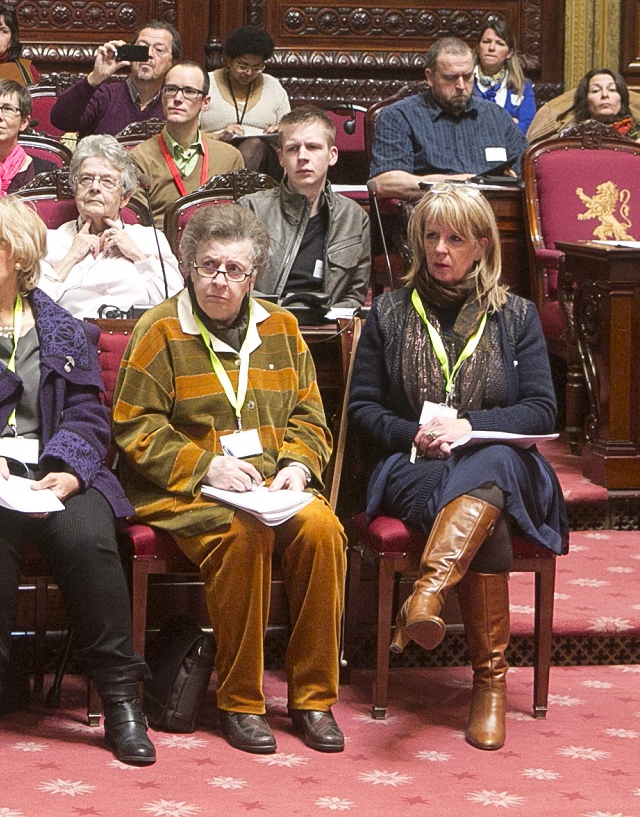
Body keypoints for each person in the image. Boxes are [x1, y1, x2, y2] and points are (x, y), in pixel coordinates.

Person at [0, 193, 155, 767]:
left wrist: (68, 468)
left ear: (21, 254)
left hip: (51, 470)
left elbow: (90, 411)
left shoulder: (64, 329)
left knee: (89, 536)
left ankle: (121, 701)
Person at [112, 205, 345, 755]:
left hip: (270, 485)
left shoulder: (283, 329)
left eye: (233, 269)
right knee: (243, 537)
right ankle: (241, 701)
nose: (219, 279)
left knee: (323, 531)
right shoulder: (160, 329)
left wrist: (297, 465)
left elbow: (310, 416)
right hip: (181, 489)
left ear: (253, 275)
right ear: (189, 268)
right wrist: (205, 465)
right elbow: (133, 424)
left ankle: (314, 698)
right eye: (208, 266)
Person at [346, 183, 565, 750]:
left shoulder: (515, 315)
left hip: (499, 460)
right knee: (485, 499)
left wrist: (470, 425)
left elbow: (542, 408)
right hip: (415, 465)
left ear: (483, 245)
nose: (441, 249)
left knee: (490, 461)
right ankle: (489, 684)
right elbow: (363, 407)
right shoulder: (390, 312)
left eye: (456, 238)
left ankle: (427, 594)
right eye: (431, 236)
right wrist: (412, 432)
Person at [368, 36, 525, 201]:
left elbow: (528, 171)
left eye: (467, 76)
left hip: (497, 214)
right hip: (432, 212)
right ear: (430, 77)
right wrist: (463, 183)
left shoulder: (496, 117)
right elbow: (383, 183)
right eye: (450, 78)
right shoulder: (399, 116)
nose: (461, 86)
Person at [245, 108, 371, 315]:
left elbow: (354, 295)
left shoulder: (354, 218)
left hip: (327, 329)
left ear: (332, 155)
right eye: (293, 149)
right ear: (281, 158)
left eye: (313, 147)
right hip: (266, 323)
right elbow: (237, 283)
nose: (302, 156)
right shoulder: (251, 210)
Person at [38, 135, 176, 319]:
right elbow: (33, 306)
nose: (94, 187)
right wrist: (71, 257)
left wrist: (137, 255)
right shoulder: (50, 241)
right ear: (75, 189)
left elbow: (174, 304)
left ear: (125, 198)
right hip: (72, 340)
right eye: (86, 179)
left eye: (107, 181)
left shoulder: (151, 239)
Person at [129, 59, 245, 229]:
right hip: (160, 250)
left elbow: (240, 221)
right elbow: (136, 226)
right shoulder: (139, 158)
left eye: (189, 91)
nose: (177, 98)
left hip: (217, 250)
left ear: (205, 102)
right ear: (162, 97)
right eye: (171, 90)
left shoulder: (230, 157)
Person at [50, 22, 181, 139]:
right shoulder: (103, 95)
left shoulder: (176, 103)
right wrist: (95, 78)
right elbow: (61, 121)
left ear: (173, 62)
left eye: (159, 50)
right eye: (142, 48)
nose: (149, 55)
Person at [202, 26, 292, 177]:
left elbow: (292, 132)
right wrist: (219, 136)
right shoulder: (206, 83)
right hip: (215, 152)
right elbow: (187, 135)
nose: (249, 73)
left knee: (254, 145)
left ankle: (236, 193)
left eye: (257, 67)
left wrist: (279, 132)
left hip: (265, 163)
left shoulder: (273, 86)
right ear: (228, 61)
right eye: (243, 65)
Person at [563, 68, 640, 154]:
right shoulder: (573, 134)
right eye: (595, 91)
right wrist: (634, 147)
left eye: (612, 89)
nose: (604, 95)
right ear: (585, 100)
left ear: (622, 98)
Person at [473, 17, 537, 137]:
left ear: (509, 53)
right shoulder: (464, 82)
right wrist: (509, 124)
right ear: (478, 47)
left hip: (509, 152)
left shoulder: (523, 86)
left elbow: (528, 125)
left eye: (500, 43)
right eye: (486, 42)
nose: (491, 48)